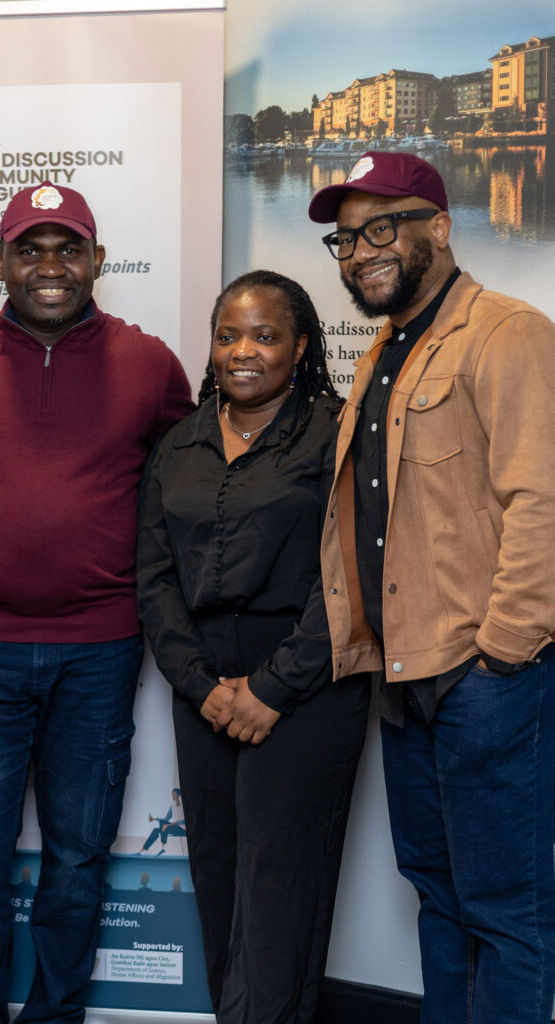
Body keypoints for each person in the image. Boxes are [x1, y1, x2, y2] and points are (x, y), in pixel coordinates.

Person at [0, 180, 193, 1023]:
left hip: (100, 649)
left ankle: (55, 1015)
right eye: (31, 250)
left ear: (97, 260)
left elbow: (189, 485)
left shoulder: (150, 365)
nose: (51, 267)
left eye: (68, 249)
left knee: (78, 857)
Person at [310, 151, 555, 1023]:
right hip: (402, 672)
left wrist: (503, 654)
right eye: (346, 240)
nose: (360, 253)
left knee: (506, 911)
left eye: (382, 228)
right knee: (439, 895)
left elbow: (542, 500)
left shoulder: (508, 332)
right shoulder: (384, 350)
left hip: (484, 681)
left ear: (441, 229)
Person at [136, 270, 371, 1024]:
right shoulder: (179, 443)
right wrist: (199, 684)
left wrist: (272, 688)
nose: (244, 351)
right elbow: (155, 578)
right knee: (217, 872)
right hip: (202, 684)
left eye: (266, 336)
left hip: (307, 683)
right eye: (228, 336)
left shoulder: (337, 433)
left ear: (300, 347)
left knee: (279, 884)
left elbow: (351, 575)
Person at [138, 788, 186, 855]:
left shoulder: (184, 805)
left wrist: (169, 825)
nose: (172, 796)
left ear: (178, 795)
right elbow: (166, 819)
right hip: (175, 828)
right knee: (156, 830)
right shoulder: (172, 806)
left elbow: (184, 821)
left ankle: (163, 848)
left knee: (164, 825)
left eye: (174, 794)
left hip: (183, 830)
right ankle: (141, 851)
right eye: (172, 794)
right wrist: (155, 819)